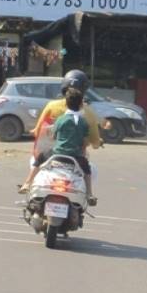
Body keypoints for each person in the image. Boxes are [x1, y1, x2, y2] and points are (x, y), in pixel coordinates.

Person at [20, 69, 103, 200]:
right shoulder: (88, 115)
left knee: (35, 161)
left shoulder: (52, 107)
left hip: (55, 153)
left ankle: (28, 185)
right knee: (92, 171)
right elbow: (93, 142)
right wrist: (97, 142)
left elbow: (38, 131)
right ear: (82, 98)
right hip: (77, 156)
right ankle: (88, 195)